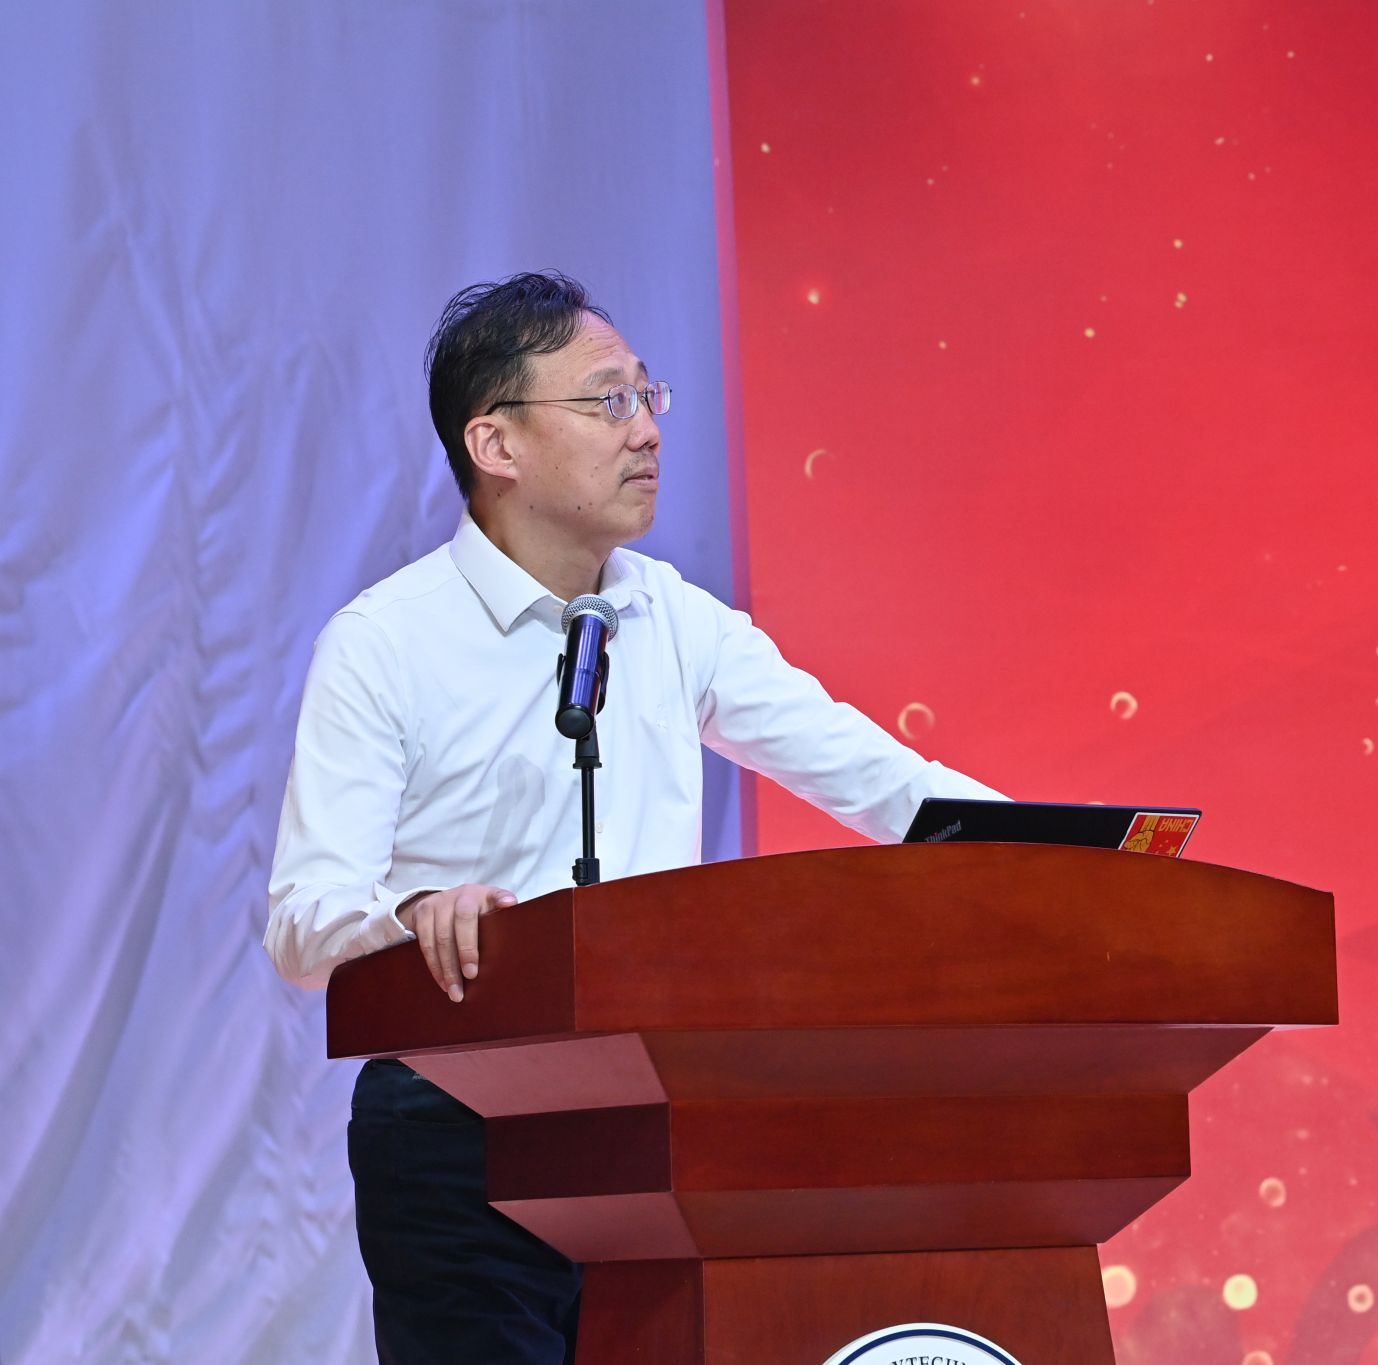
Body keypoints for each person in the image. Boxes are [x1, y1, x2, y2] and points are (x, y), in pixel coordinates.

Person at [264, 271, 1004, 1364]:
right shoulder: (384, 643)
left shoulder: (676, 620)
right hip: (459, 1128)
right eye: (608, 401)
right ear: (495, 443)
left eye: (648, 397)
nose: (648, 429)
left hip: (657, 1128)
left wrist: (1071, 858)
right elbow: (302, 921)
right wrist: (416, 916)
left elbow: (885, 784)